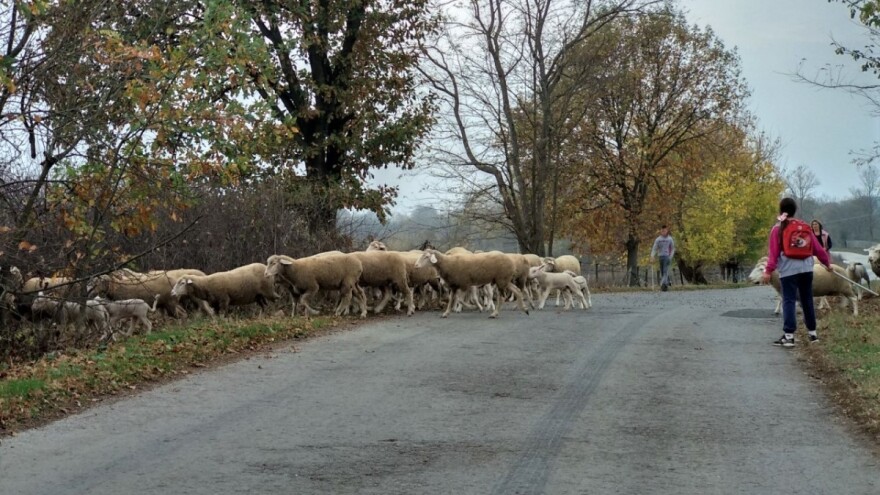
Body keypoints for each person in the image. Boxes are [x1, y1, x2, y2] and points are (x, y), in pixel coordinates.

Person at [762, 198, 832, 348]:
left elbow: (773, 253)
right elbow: (818, 249)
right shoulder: (804, 227)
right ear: (795, 210)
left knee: (788, 300)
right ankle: (813, 334)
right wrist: (827, 264)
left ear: (781, 210)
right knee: (807, 299)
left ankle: (789, 337)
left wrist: (768, 271)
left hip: (788, 270)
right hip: (807, 269)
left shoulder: (777, 229)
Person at [650, 225, 675, 291]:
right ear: (661, 231)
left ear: (667, 231)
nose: (663, 232)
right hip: (660, 256)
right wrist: (652, 256)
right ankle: (666, 284)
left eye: (665, 231)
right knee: (662, 271)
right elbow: (654, 248)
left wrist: (670, 257)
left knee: (665, 271)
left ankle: (662, 284)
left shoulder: (670, 239)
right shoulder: (658, 239)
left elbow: (672, 248)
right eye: (662, 231)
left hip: (667, 257)